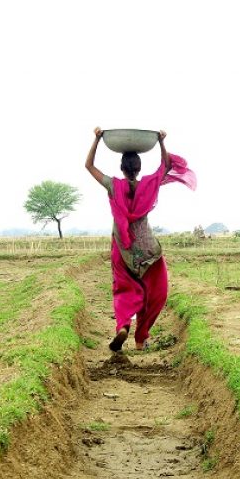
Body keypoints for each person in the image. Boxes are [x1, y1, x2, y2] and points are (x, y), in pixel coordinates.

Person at [85, 127, 196, 351]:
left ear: (121, 168)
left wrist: (96, 139)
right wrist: (162, 142)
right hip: (147, 249)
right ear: (139, 168)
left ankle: (123, 326)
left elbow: (89, 166)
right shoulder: (149, 184)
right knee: (156, 291)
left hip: (122, 248)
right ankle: (140, 338)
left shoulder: (113, 185)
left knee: (123, 289)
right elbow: (165, 166)